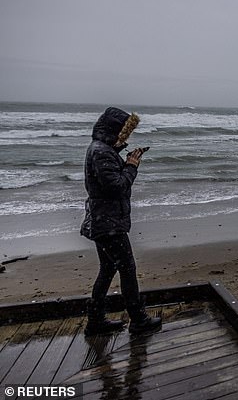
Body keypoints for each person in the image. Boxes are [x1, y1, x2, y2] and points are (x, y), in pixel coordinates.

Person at [80, 107, 162, 336]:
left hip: (102, 219)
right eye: (123, 132)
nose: (125, 137)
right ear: (113, 129)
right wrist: (131, 167)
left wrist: (123, 157)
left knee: (107, 268)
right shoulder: (101, 152)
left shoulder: (102, 149)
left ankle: (95, 321)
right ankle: (138, 320)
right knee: (127, 268)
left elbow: (108, 180)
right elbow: (116, 186)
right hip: (108, 222)